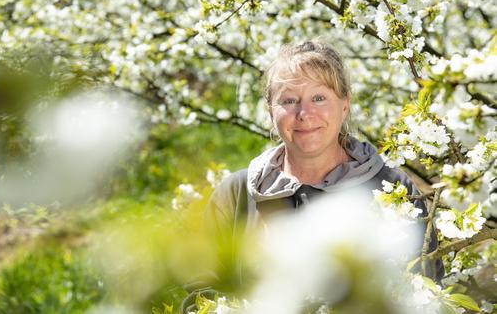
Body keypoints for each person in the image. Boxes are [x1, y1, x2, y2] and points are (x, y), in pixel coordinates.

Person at [180, 40, 443, 313]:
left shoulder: (394, 190)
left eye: (319, 98)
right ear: (271, 111)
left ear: (344, 105)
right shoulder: (236, 194)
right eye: (289, 100)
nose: (304, 114)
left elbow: (425, 292)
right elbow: (199, 296)